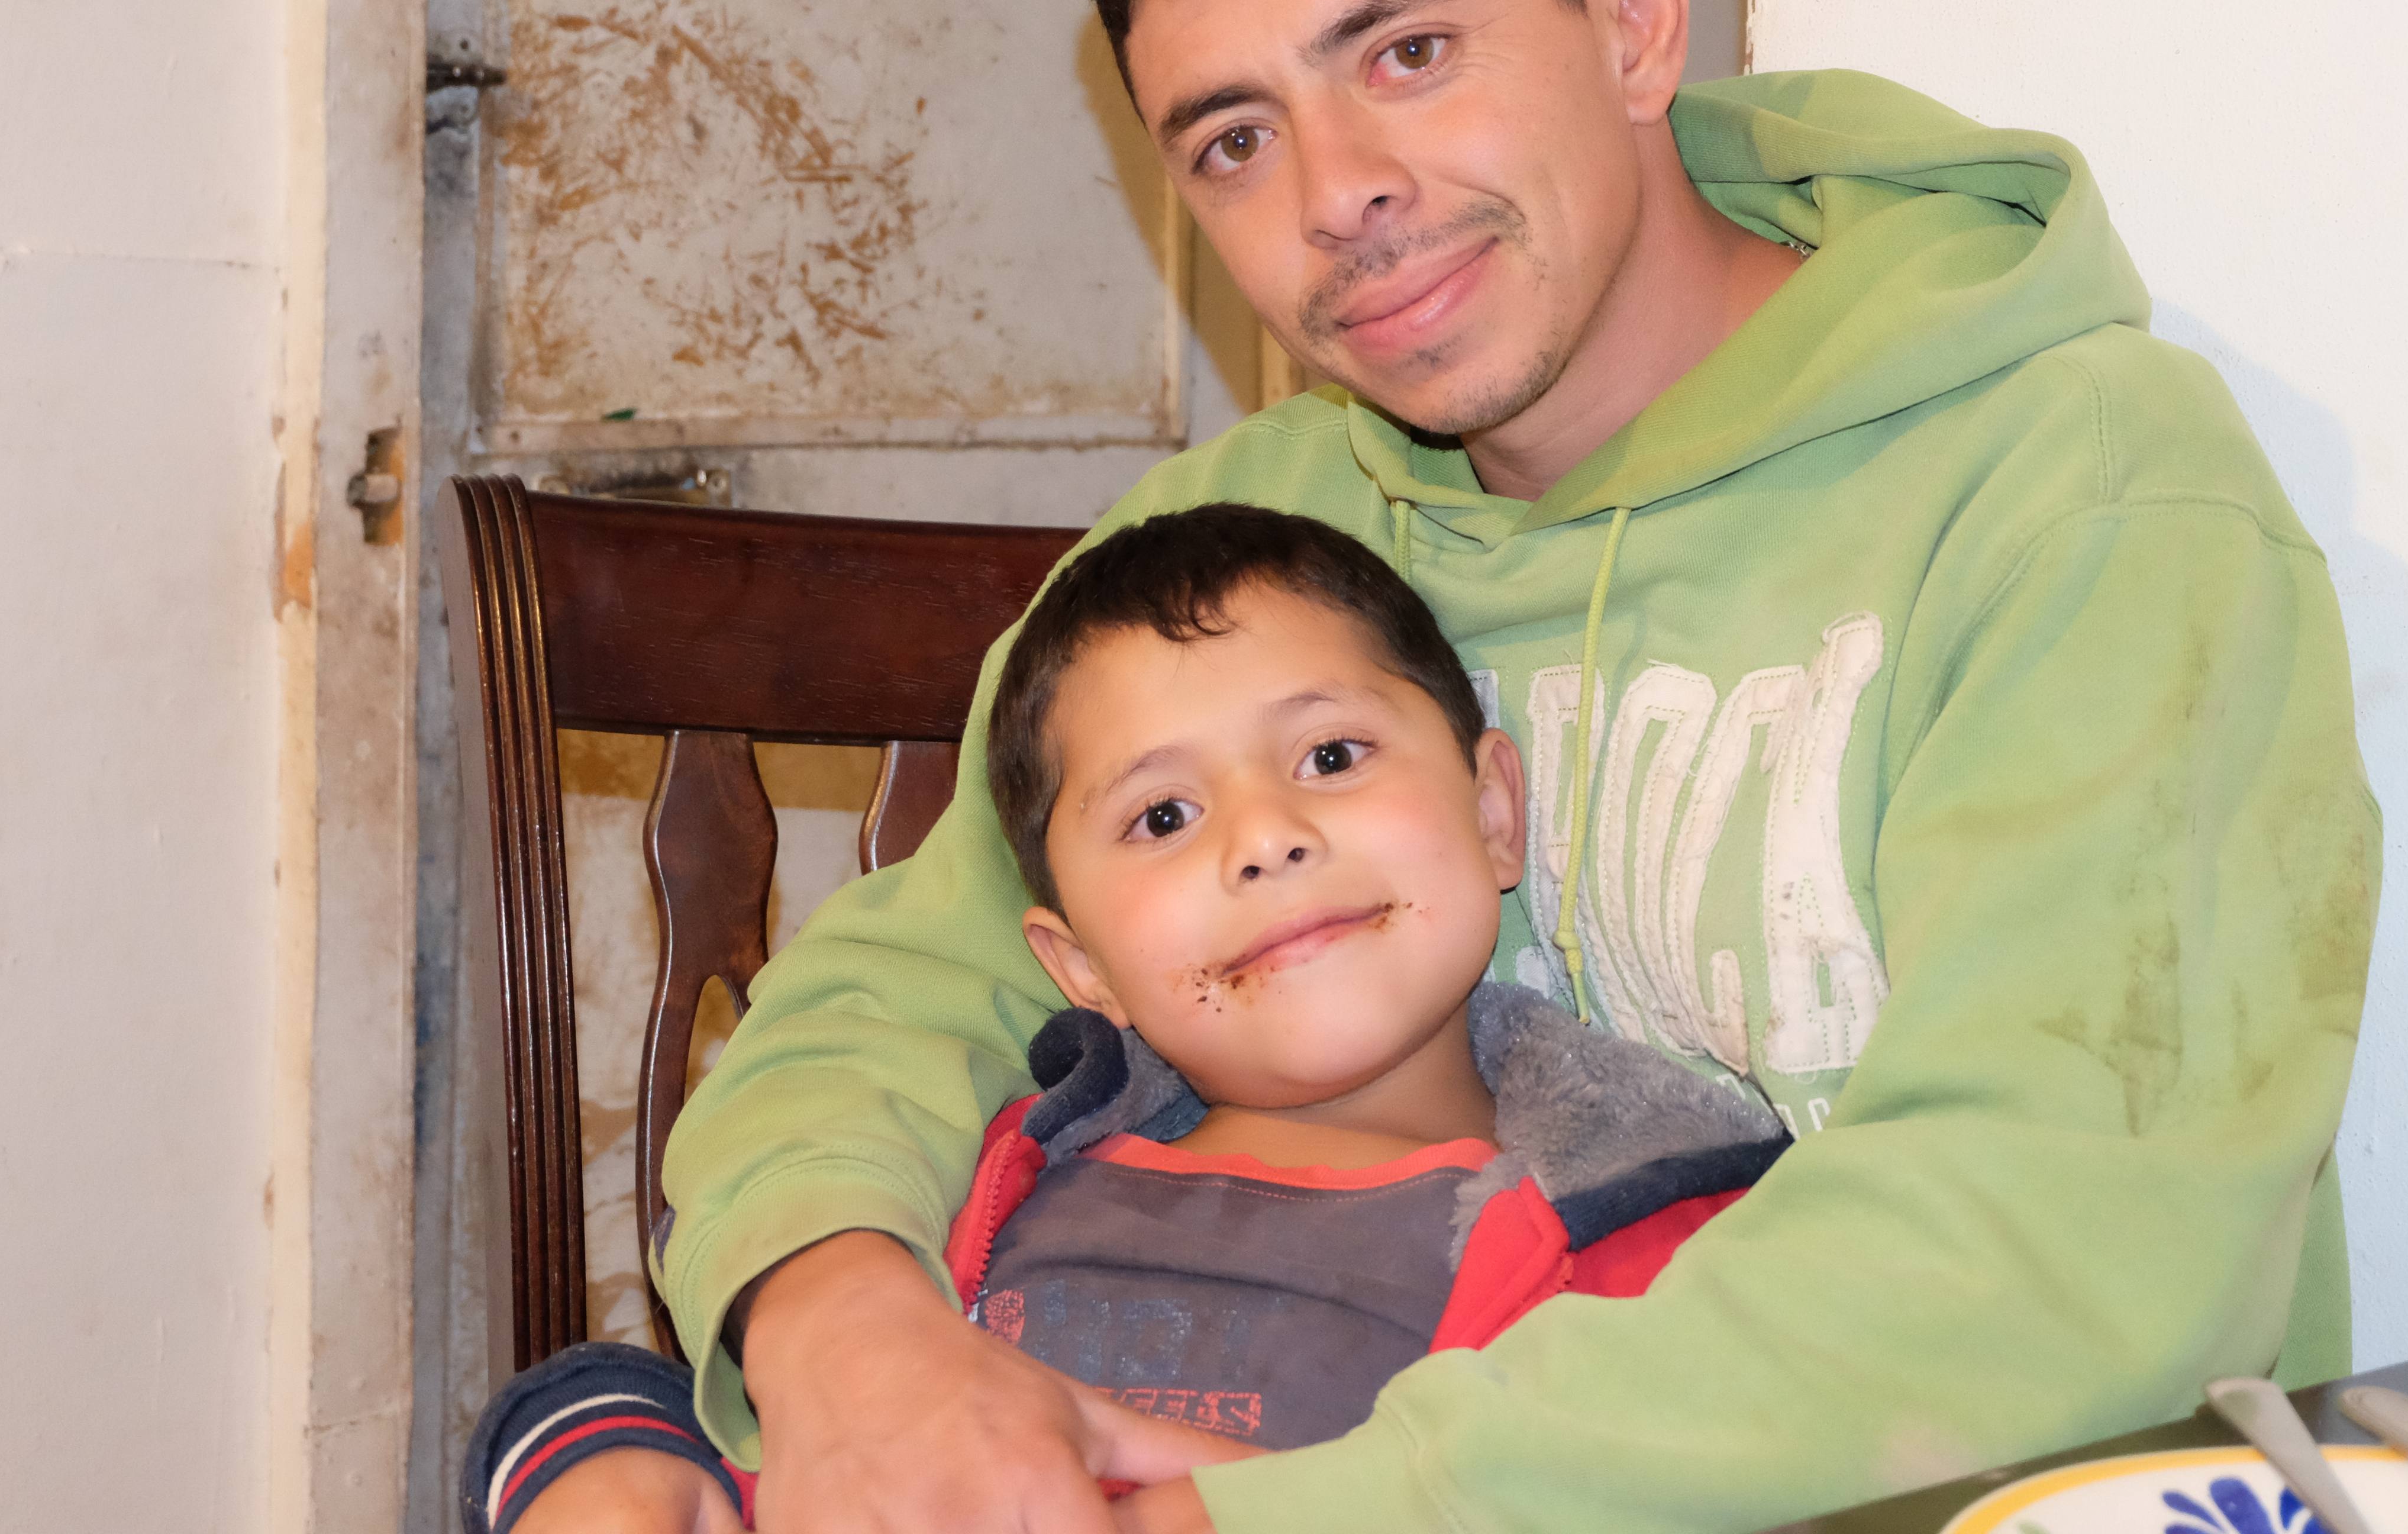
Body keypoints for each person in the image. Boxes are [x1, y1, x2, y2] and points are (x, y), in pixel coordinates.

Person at [526, 0, 2384, 1533]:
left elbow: (2061, 1249)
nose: (1341, 197)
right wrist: (858, 1350)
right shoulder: (1239, 551)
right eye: (1233, 141)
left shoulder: (2082, 496)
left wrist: (1243, 1523)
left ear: (1633, 20)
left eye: (1408, 52)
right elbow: (896, 1008)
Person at [475, 507, 1796, 1532]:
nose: (1266, 837)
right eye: (1164, 817)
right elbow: (768, 1445)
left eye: (1331, 756)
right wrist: (606, 1459)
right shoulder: (995, 1177)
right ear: (1082, 966)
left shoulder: (1648, 1242)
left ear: (1495, 811)